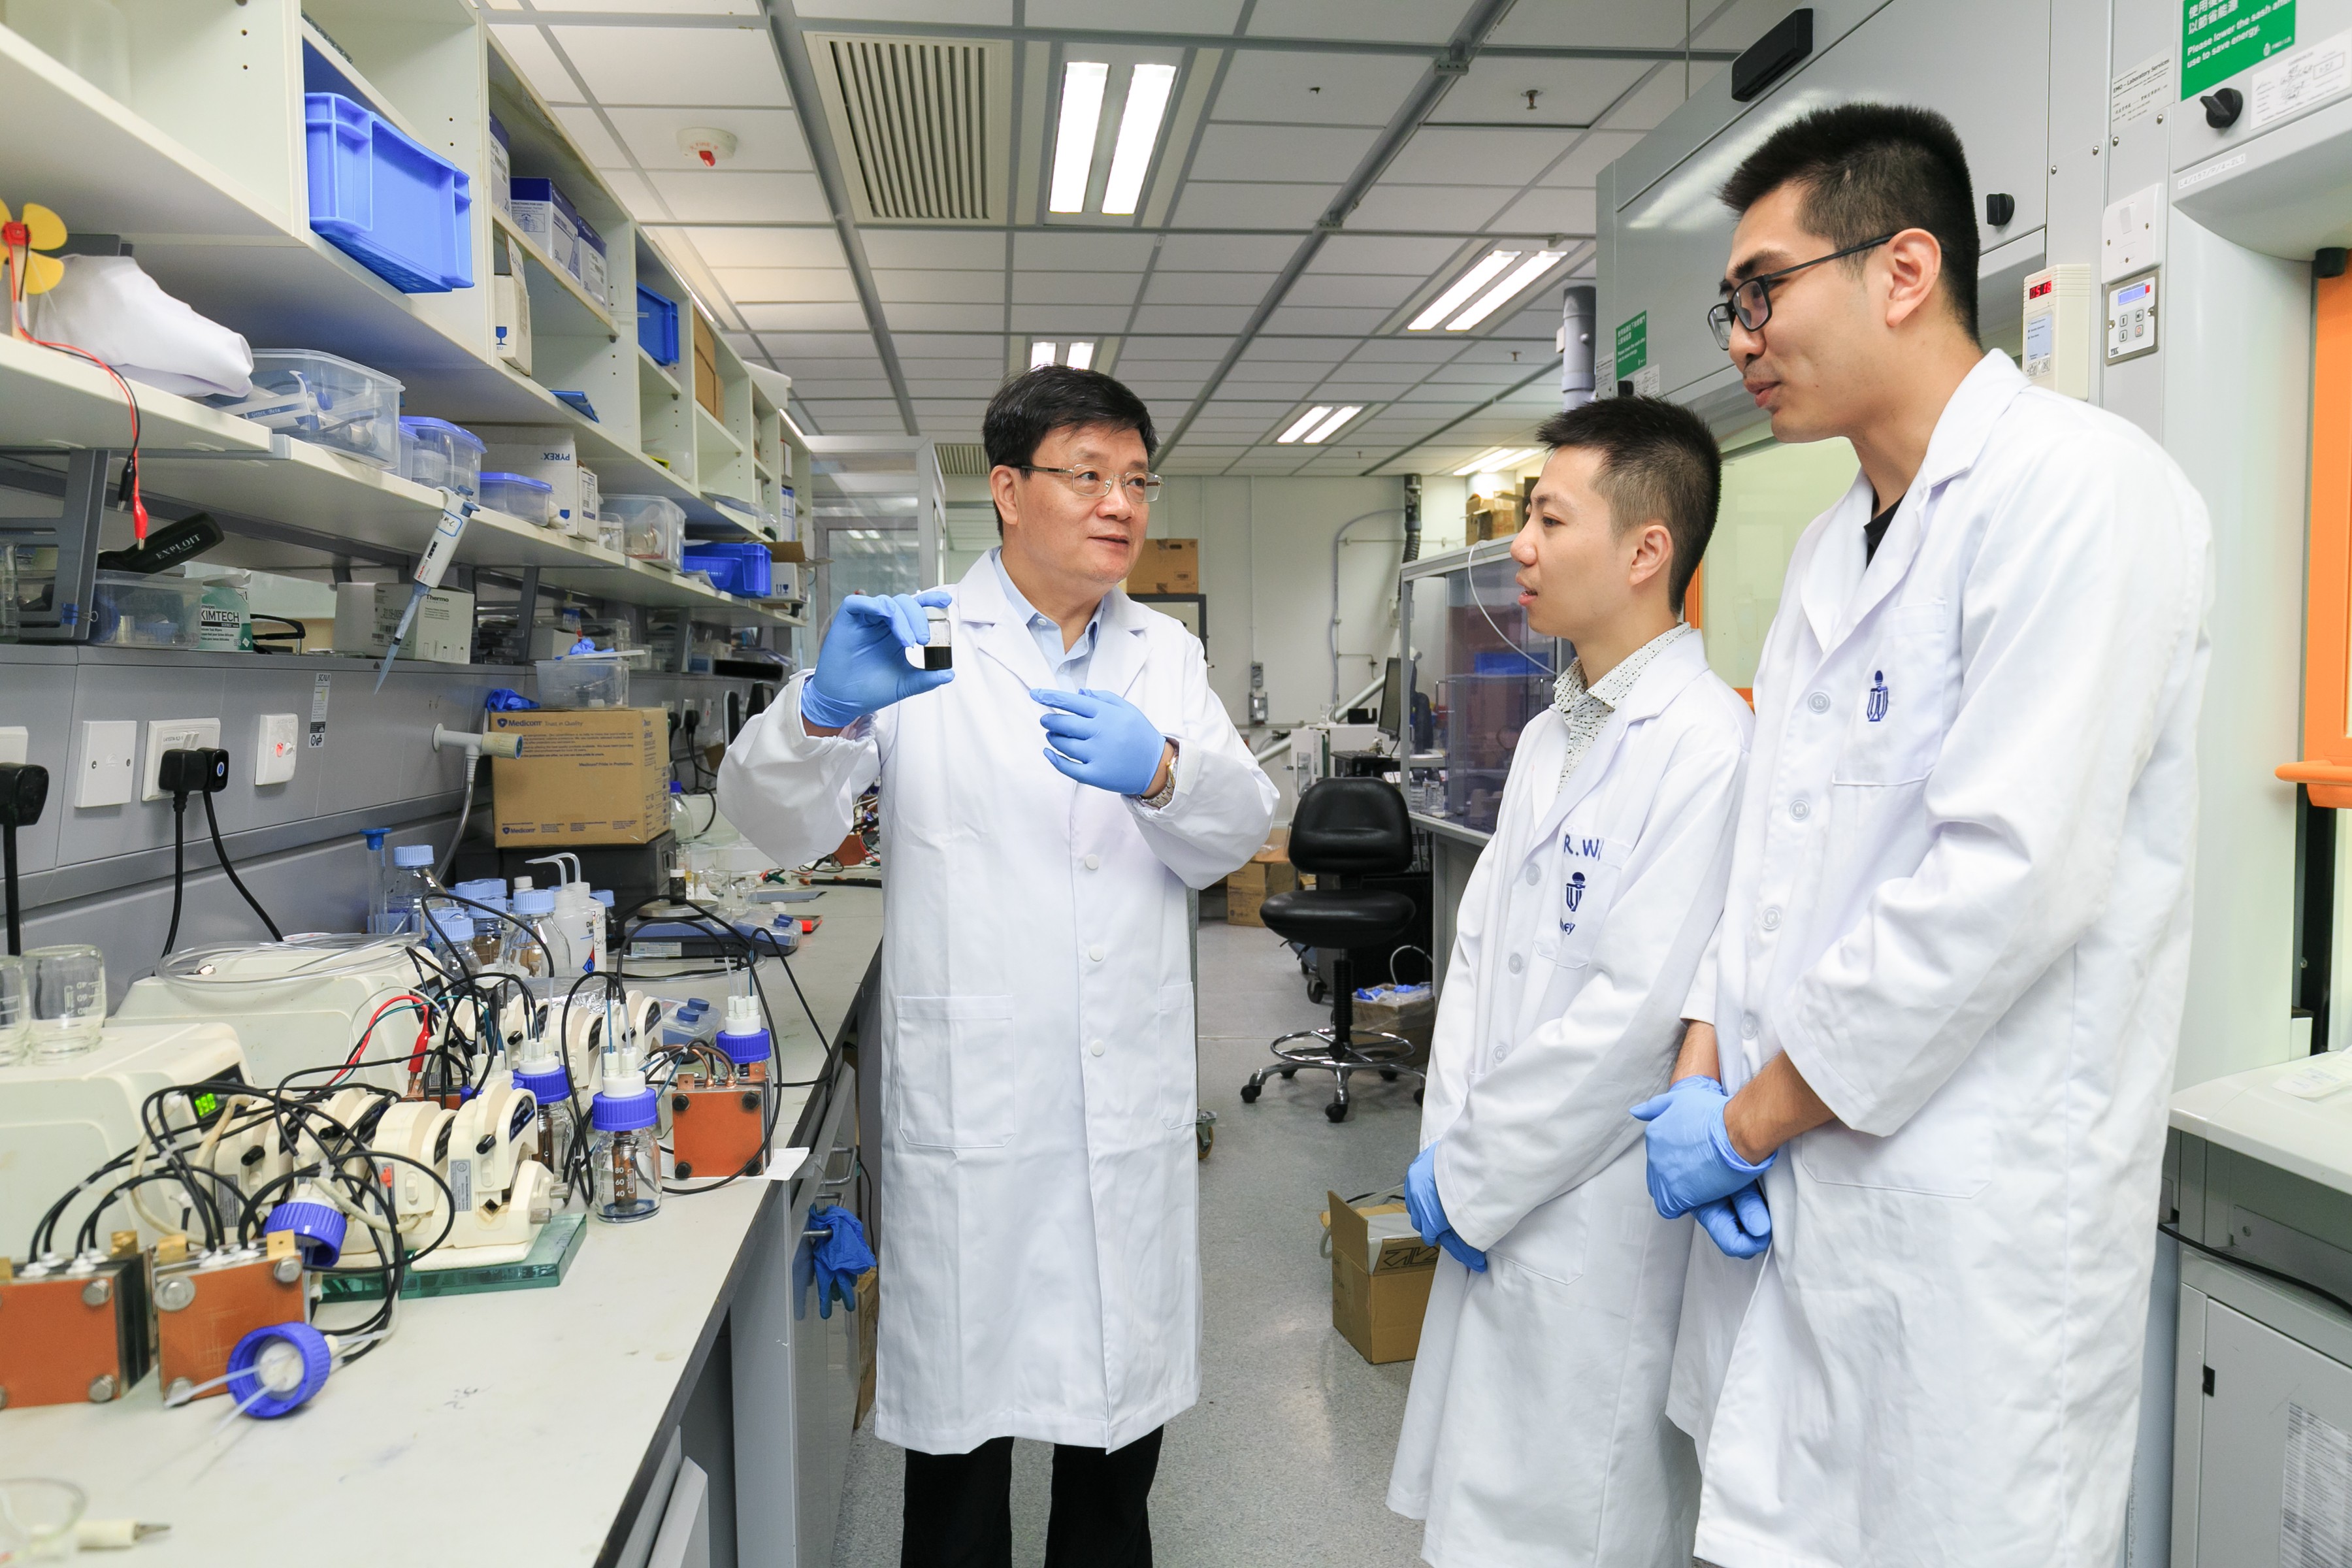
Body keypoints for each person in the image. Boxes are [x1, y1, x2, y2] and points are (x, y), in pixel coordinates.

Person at [1637, 103, 2211, 1567]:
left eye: (1762, 291)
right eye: (1731, 305)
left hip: (1973, 1238)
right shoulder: (1830, 546)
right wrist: (1704, 1062)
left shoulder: (2081, 491)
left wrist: (1747, 1123)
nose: (1741, 338)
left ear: (1903, 270)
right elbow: (1766, 857)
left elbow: (2005, 883)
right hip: (1803, 1192)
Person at [717, 366, 1277, 1567]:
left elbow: (1237, 829)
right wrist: (821, 712)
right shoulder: (927, 634)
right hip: (978, 1107)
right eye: (1090, 476)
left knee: (1114, 1465)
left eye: (1138, 480)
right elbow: (776, 826)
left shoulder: (1163, 653)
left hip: (1121, 1101)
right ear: (1011, 492)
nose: (1122, 504)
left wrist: (1164, 771)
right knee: (959, 1474)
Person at [1387, 397, 1754, 1567]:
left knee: (1577, 1527)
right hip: (1501, 1191)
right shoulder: (1557, 732)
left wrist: (1478, 1174)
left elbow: (1633, 1022)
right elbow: (1483, 963)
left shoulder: (1708, 745)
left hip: (1596, 1221)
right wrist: (1454, 1149)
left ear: (1647, 550)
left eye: (1550, 520)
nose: (1522, 548)